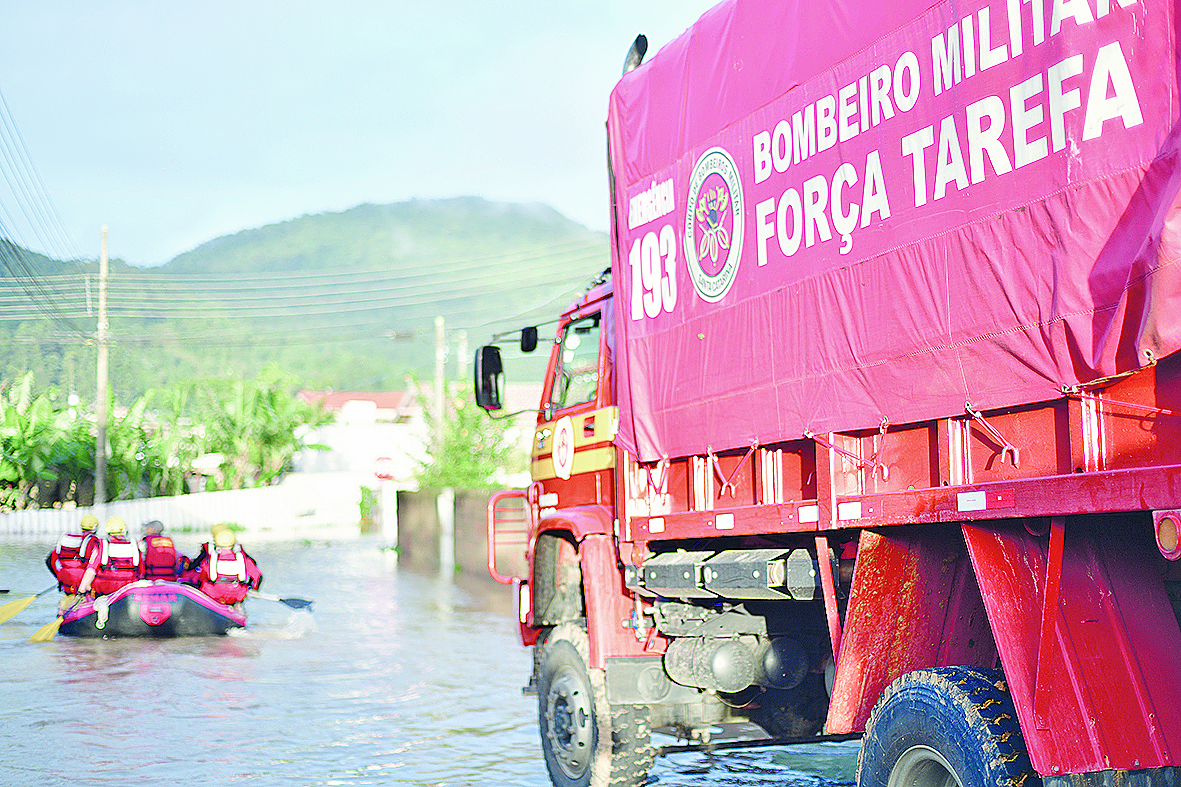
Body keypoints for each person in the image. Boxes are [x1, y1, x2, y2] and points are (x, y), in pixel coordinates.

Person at [192, 525, 262, 606]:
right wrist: (253, 589)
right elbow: (258, 576)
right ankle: (237, 607)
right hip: (236, 594)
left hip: (214, 593)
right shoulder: (242, 558)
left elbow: (203, 576)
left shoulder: (211, 558)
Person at [77, 516, 142, 596]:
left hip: (105, 591)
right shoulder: (134, 546)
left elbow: (91, 570)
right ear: (124, 530)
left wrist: (81, 590)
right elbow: (141, 571)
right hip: (128, 591)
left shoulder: (101, 545)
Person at [45, 514, 100, 594]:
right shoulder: (94, 542)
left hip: (66, 580)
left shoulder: (67, 540)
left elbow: (49, 561)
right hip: (83, 583)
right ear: (96, 528)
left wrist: (59, 578)